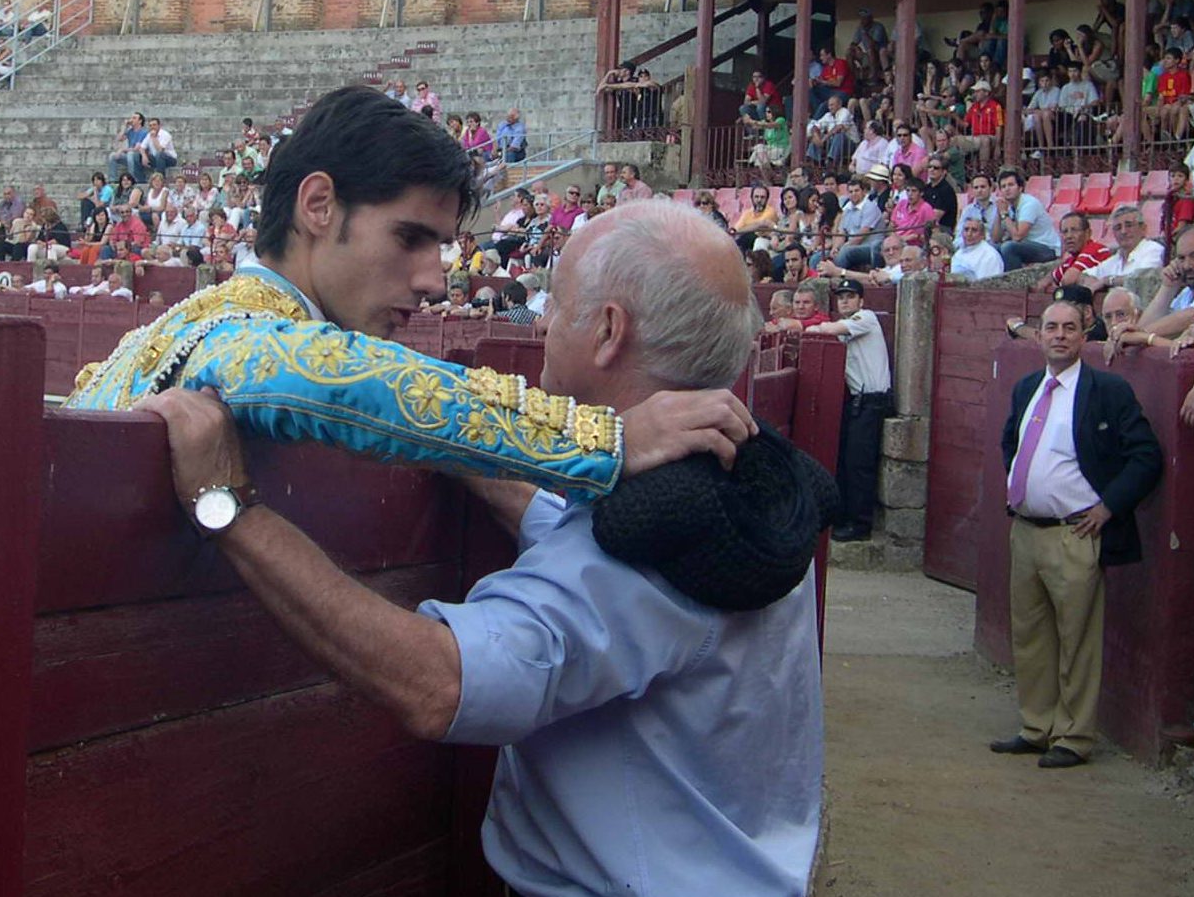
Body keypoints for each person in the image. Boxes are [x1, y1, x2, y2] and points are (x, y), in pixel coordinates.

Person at [140, 197, 827, 896]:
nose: (544, 324)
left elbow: (440, 683)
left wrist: (228, 508)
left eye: (556, 306)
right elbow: (557, 526)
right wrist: (443, 435)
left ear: (608, 331)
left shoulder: (655, 533)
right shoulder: (747, 480)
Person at [66, 86, 755, 495]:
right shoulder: (239, 332)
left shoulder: (193, 320)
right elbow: (327, 377)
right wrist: (602, 438)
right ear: (317, 206)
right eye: (408, 238)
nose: (433, 279)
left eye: (441, 245)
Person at [991, 298, 1163, 769]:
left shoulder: (1107, 390)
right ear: (1039, 335)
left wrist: (1108, 507)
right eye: (1051, 327)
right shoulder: (1028, 386)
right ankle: (1036, 725)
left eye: (1070, 328)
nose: (1060, 335)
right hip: (1026, 530)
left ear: (1085, 336)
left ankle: (1074, 735)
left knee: (1077, 637)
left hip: (1074, 533)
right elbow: (1012, 442)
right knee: (1030, 635)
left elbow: (1146, 455)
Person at [805, 279, 892, 542]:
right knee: (849, 462)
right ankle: (847, 518)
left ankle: (860, 524)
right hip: (859, 402)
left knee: (859, 465)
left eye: (850, 296)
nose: (844, 300)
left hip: (871, 402)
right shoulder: (848, 326)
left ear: (861, 301)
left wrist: (803, 326)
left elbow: (830, 329)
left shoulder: (865, 318)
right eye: (841, 296)